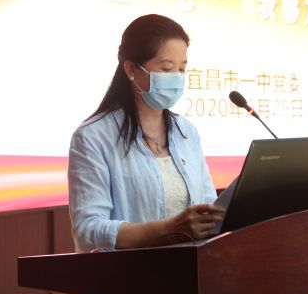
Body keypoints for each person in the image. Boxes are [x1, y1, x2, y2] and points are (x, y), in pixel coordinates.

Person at [68, 14, 224, 252]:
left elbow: (209, 205)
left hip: (193, 268)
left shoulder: (187, 132)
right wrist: (168, 229)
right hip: (129, 272)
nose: (177, 78)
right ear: (131, 69)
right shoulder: (93, 137)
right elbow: (88, 230)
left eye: (182, 69)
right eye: (166, 69)